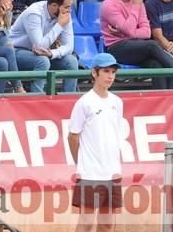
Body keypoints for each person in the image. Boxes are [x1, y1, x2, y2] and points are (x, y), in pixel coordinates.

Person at [68, 53, 123, 232]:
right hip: (90, 172)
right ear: (94, 73)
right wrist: (81, 163)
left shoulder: (117, 102)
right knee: (86, 222)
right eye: (106, 71)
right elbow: (73, 137)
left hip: (112, 171)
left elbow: (114, 134)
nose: (110, 76)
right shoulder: (84, 103)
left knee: (107, 224)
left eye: (113, 72)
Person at [100, 0, 173, 89]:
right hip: (117, 48)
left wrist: (125, 32)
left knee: (157, 65)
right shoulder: (109, 5)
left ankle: (165, 99)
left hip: (137, 47)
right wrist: (135, 7)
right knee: (152, 45)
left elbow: (146, 32)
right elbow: (130, 29)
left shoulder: (138, 1)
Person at [9, 0, 79, 92]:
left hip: (42, 54)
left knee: (72, 61)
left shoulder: (64, 14)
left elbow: (69, 47)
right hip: (15, 52)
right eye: (66, 7)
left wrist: (52, 53)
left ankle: (67, 99)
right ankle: (37, 98)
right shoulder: (34, 13)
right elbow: (39, 46)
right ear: (54, 5)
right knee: (42, 61)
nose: (69, 11)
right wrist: (59, 25)